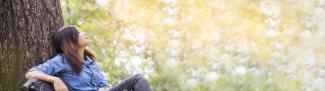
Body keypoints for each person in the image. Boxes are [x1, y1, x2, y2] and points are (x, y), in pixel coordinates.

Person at [25, 25, 152, 91]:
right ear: (70, 41)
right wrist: (55, 80)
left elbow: (103, 86)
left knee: (138, 82)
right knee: (137, 79)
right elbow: (31, 73)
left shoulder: (90, 62)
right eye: (78, 33)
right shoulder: (63, 60)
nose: (83, 33)